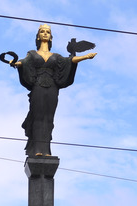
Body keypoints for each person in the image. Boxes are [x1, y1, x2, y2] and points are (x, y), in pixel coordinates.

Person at [10, 24, 97, 157]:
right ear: (38, 36)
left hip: (52, 88)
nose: (45, 33)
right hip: (38, 86)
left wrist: (85, 57)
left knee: (49, 118)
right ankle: (37, 150)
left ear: (51, 37)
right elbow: (24, 62)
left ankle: (46, 151)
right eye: (42, 32)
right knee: (38, 116)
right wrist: (15, 63)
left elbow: (69, 61)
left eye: (48, 32)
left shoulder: (56, 56)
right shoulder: (32, 53)